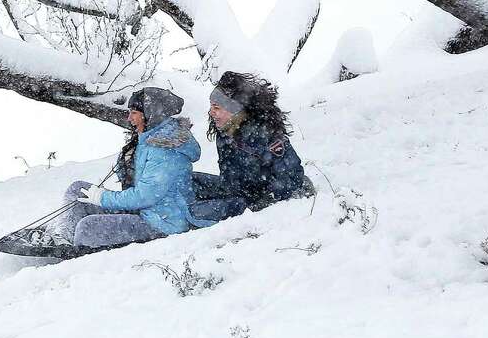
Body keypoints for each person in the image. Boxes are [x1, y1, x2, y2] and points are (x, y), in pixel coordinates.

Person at [51, 87, 213, 249]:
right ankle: (62, 238)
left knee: (88, 227)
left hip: (163, 223)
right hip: (144, 211)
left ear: (150, 115)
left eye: (134, 113)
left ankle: (74, 255)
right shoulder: (149, 139)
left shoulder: (165, 150)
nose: (129, 118)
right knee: (78, 190)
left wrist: (102, 198)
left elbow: (144, 196)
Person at [191, 72, 312, 223]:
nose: (211, 112)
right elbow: (229, 176)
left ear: (234, 110)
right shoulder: (225, 133)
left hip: (259, 199)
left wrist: (264, 201)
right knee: (188, 180)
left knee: (197, 211)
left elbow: (292, 178)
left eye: (216, 107)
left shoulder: (265, 135)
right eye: (211, 107)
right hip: (236, 190)